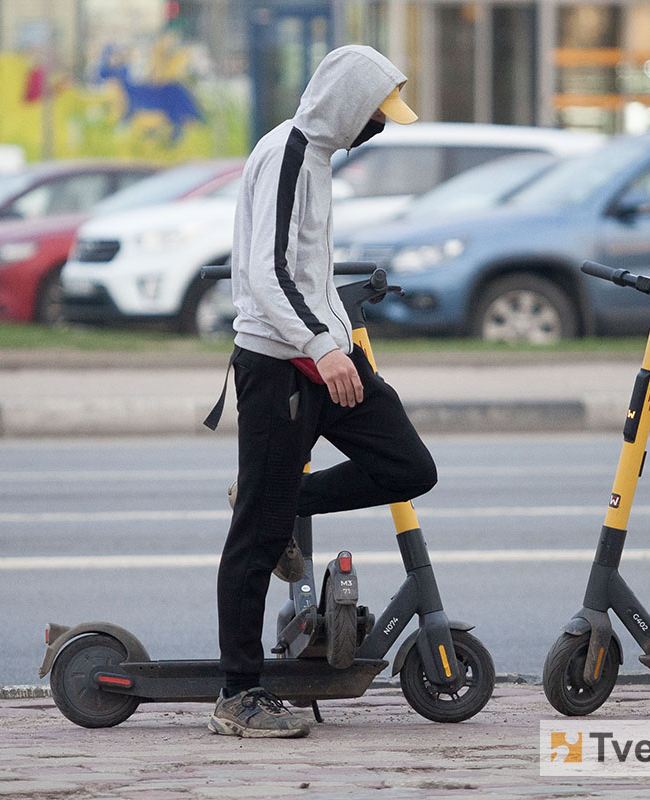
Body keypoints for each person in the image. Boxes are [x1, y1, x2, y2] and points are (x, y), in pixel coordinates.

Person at [208, 45, 438, 739]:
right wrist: (322, 346)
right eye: (373, 113)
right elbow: (265, 272)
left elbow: (300, 272)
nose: (379, 126)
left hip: (321, 354)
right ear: (346, 104)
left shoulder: (316, 159)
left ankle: (282, 502)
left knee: (408, 467)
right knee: (258, 533)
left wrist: (331, 342)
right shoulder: (287, 154)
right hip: (282, 366)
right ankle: (238, 695)